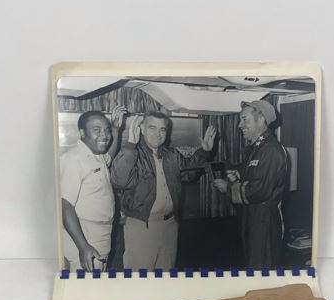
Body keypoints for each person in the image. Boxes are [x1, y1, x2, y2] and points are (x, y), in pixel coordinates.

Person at [110, 111, 217, 269]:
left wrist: (205, 152)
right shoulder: (132, 153)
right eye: (152, 128)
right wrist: (131, 145)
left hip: (170, 225)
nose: (158, 134)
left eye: (162, 130)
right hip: (142, 226)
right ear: (142, 129)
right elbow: (119, 180)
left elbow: (189, 173)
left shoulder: (171, 154)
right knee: (140, 278)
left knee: (166, 275)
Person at [213, 100, 290, 269]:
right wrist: (239, 174)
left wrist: (228, 188)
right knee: (251, 265)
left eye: (244, 119)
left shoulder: (271, 150)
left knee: (261, 269)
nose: (240, 125)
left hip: (264, 222)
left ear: (261, 119)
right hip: (252, 217)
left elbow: (258, 191)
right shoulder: (257, 149)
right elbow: (254, 175)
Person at [60, 106, 125, 270]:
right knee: (85, 291)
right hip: (85, 235)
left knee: (96, 286)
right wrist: (83, 247)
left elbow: (109, 156)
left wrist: (116, 130)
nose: (104, 135)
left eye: (107, 129)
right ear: (82, 133)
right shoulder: (74, 159)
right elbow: (65, 205)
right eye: (97, 130)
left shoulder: (96, 155)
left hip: (101, 233)